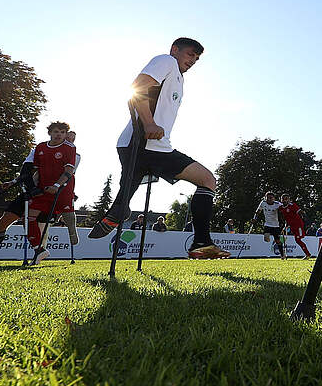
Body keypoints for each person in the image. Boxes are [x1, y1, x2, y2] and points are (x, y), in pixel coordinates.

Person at [87, 38, 230, 259]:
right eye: (190, 54)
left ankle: (119, 210)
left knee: (126, 195)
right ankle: (200, 242)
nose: (193, 61)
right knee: (207, 180)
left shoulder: (178, 78)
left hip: (140, 145)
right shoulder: (166, 61)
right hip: (148, 145)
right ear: (175, 50)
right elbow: (139, 86)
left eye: (197, 58)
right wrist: (148, 123)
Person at [0, 122, 80, 265]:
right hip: (32, 192)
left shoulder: (72, 151)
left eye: (66, 135)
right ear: (50, 133)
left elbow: (68, 173)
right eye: (57, 132)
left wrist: (57, 186)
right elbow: (27, 172)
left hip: (52, 193)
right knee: (5, 222)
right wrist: (14, 182)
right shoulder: (39, 148)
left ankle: (48, 244)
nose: (62, 136)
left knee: (40, 224)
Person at [279, 193, 312, 259]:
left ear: (289, 200)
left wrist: (306, 221)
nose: (284, 200)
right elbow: (284, 217)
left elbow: (301, 212)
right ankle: (307, 254)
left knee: (298, 240)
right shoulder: (281, 208)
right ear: (281, 200)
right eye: (283, 199)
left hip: (298, 225)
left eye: (286, 199)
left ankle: (308, 254)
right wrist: (285, 225)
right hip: (291, 226)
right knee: (297, 240)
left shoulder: (292, 205)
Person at [256, 192, 286, 259]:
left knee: (277, 241)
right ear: (265, 198)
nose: (269, 199)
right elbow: (258, 211)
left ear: (274, 198)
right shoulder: (263, 203)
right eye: (267, 197)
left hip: (276, 225)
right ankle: (271, 239)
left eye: (271, 198)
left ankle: (282, 254)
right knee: (266, 238)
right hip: (267, 224)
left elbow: (284, 207)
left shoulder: (277, 204)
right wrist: (255, 218)